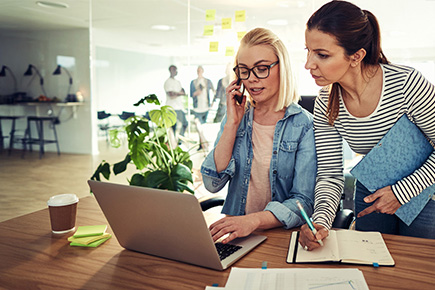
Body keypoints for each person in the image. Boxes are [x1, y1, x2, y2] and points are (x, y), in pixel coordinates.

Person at [299, 0, 435, 251]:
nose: (309, 64)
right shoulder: (326, 103)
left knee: (418, 268)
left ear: (357, 56)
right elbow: (329, 174)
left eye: (322, 54)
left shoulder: (406, 83)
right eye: (307, 51)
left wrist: (401, 193)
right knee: (374, 268)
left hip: (426, 191)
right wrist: (320, 222)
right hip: (371, 191)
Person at [200, 28, 317, 244]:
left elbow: (303, 201)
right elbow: (212, 183)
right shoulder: (236, 118)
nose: (251, 79)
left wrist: (253, 221)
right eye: (244, 70)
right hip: (235, 236)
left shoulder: (304, 125)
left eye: (261, 69)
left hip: (279, 238)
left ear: (282, 68)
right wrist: (232, 124)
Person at [164, 65, 188, 138]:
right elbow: (171, 94)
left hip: (179, 107)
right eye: (174, 70)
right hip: (171, 107)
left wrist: (177, 93)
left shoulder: (178, 82)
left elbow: (183, 92)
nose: (176, 71)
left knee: (184, 124)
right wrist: (179, 93)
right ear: (170, 71)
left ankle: (179, 141)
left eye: (176, 70)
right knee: (172, 127)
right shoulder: (167, 82)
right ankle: (172, 143)